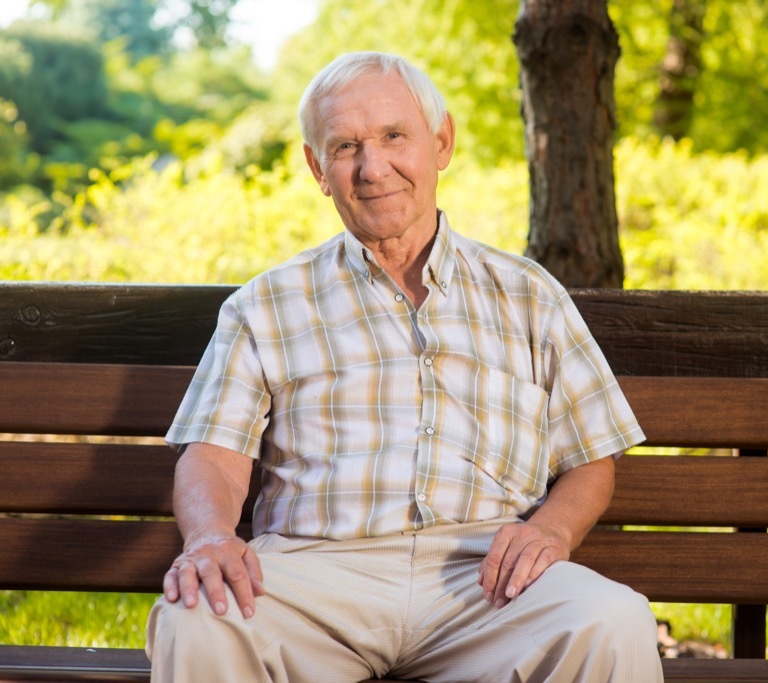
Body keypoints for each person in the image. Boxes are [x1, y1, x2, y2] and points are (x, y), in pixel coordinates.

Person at [146, 51, 663, 683]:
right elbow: (214, 456)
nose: (372, 168)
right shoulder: (266, 304)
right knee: (200, 615)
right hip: (316, 578)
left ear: (441, 142)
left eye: (395, 136)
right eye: (345, 146)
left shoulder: (530, 294)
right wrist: (208, 539)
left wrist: (550, 532)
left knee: (611, 619)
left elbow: (591, 461)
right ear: (317, 167)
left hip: (485, 583)